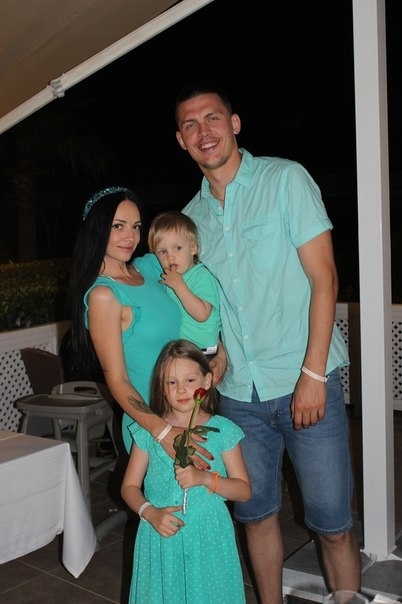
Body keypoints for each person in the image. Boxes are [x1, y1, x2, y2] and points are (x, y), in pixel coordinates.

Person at [174, 83, 361, 603]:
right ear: (181, 141)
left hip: (306, 381)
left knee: (333, 526)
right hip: (238, 398)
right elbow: (212, 307)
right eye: (190, 125)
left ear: (235, 124)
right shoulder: (191, 220)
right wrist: (213, 361)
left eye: (213, 118)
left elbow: (324, 278)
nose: (204, 131)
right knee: (255, 517)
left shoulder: (285, 179)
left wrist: (313, 375)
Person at [68, 186, 211, 464]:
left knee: (211, 491)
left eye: (135, 226)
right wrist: (164, 432)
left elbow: (194, 270)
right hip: (153, 425)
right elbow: (117, 380)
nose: (130, 236)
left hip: (191, 409)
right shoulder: (104, 295)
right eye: (118, 226)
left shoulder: (150, 266)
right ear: (97, 229)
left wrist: (218, 348)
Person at [121, 339, 251, 604]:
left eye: (189, 380)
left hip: (209, 535)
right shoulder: (149, 431)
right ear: (162, 387)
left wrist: (206, 478)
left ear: (207, 381)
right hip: (161, 533)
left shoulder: (223, 431)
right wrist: (149, 512)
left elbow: (243, 490)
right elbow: (129, 487)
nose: (181, 389)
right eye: (171, 382)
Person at [148, 210, 221, 358]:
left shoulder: (201, 276)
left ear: (193, 248)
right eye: (162, 251)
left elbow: (202, 314)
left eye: (178, 248)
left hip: (201, 351)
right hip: (181, 350)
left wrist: (179, 285)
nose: (170, 257)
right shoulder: (169, 277)